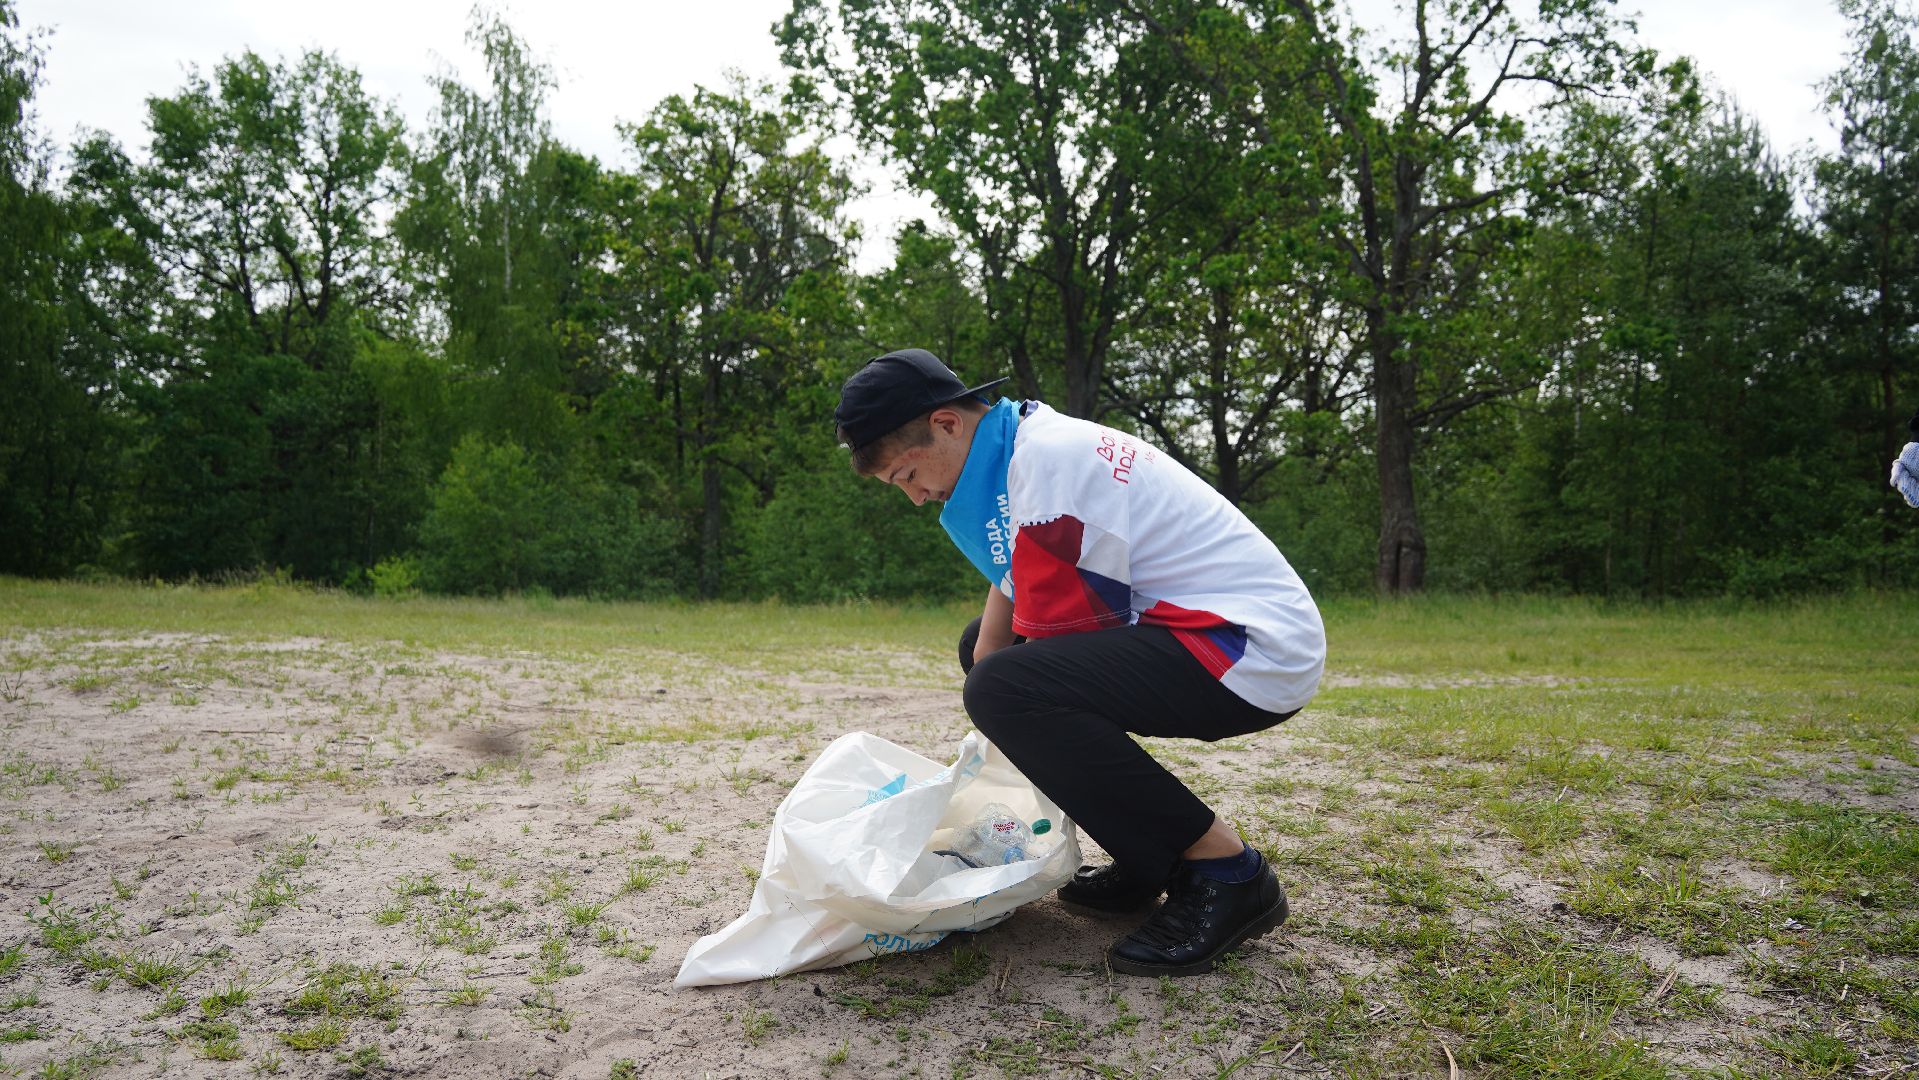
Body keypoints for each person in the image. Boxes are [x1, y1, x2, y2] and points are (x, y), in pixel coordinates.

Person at [834, 348, 1326, 977]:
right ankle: (1153, 859)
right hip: (1202, 629)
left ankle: (1228, 871)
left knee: (1007, 688)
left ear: (947, 425)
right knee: (992, 667)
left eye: (906, 476)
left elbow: (1037, 648)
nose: (916, 498)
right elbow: (1014, 578)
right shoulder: (1024, 445)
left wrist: (989, 727)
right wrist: (985, 668)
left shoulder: (1050, 465)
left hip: (1249, 648)